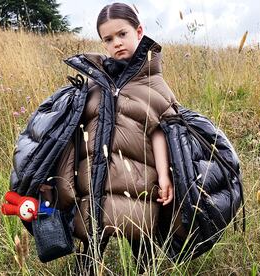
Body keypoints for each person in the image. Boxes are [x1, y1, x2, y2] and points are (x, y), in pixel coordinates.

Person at [40, 2, 180, 273]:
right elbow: (74, 129)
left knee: (142, 250)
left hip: (138, 183)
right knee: (90, 252)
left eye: (122, 34)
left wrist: (164, 176)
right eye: (109, 39)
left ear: (139, 32)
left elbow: (160, 132)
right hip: (94, 185)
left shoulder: (153, 84)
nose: (117, 43)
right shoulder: (94, 84)